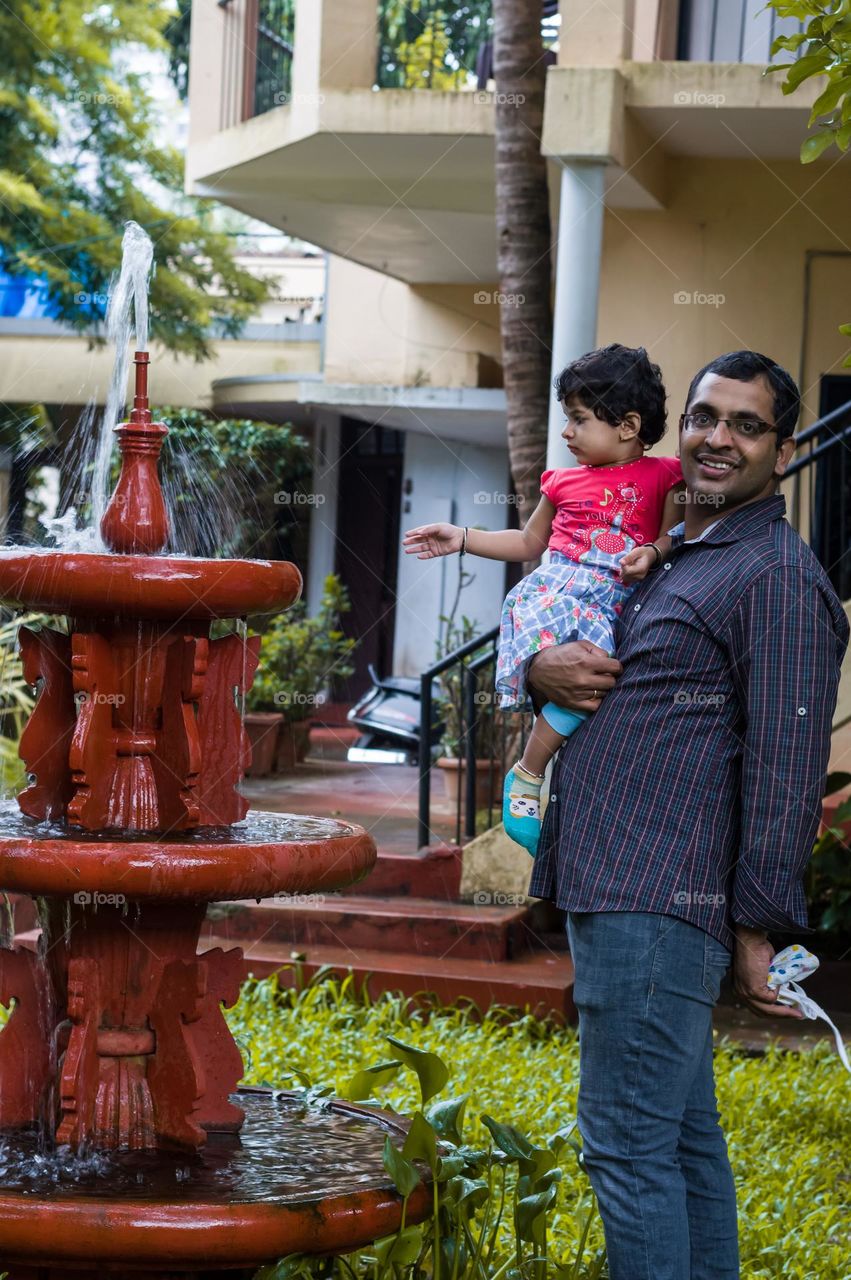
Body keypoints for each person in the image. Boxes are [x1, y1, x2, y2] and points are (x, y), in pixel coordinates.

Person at [526, 351, 849, 1280]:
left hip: (661, 898)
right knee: (678, 1140)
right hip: (620, 883)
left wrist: (759, 929)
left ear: (780, 453)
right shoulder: (675, 554)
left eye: (745, 426)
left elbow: (788, 773)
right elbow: (591, 670)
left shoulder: (776, 579)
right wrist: (536, 669)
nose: (717, 438)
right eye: (704, 417)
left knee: (625, 1148)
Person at [403, 343, 684, 855]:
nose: (566, 433)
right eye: (566, 419)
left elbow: (673, 536)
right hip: (558, 594)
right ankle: (530, 777)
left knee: (589, 687)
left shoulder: (665, 476)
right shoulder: (563, 482)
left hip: (612, 599)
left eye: (578, 420)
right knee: (588, 679)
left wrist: (651, 549)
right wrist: (463, 537)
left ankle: (529, 773)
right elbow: (529, 543)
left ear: (626, 425)